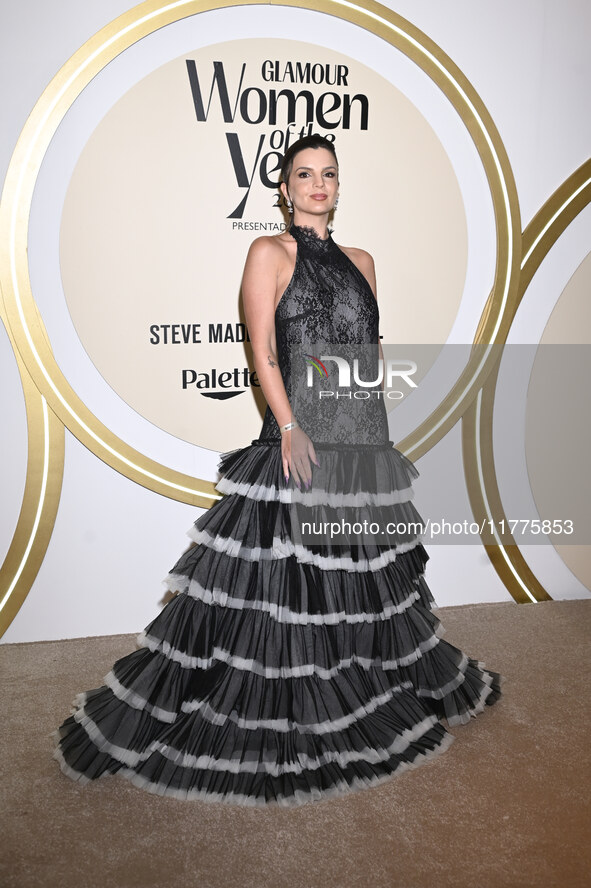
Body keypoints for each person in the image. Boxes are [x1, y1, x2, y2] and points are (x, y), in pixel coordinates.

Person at [53, 135, 501, 807]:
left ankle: (364, 680)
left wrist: (373, 438)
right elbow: (261, 349)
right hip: (298, 436)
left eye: (328, 174)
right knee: (280, 593)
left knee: (361, 584)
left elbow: (369, 353)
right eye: (304, 175)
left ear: (337, 187)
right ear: (284, 189)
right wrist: (288, 426)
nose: (317, 184)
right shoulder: (268, 252)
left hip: (359, 443)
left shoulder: (362, 261)